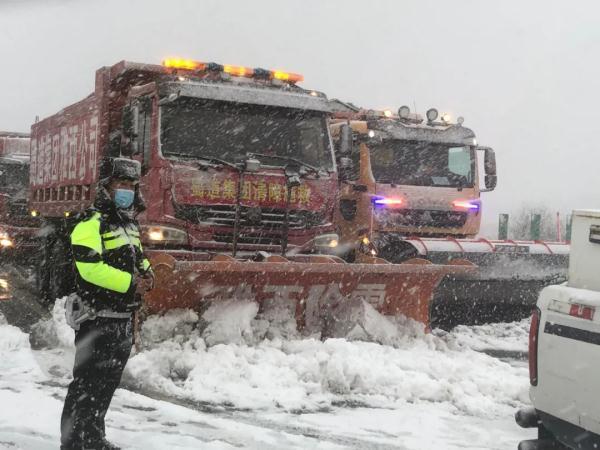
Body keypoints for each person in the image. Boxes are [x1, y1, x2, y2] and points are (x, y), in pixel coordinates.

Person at [60, 157, 154, 450]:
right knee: (86, 385)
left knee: (105, 386)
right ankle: (74, 443)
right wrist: (130, 283)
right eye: (120, 184)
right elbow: (90, 268)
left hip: (121, 318)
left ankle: (94, 438)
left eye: (130, 185)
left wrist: (147, 271)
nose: (125, 190)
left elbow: (137, 255)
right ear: (106, 187)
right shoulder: (90, 222)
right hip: (96, 319)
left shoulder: (128, 223)